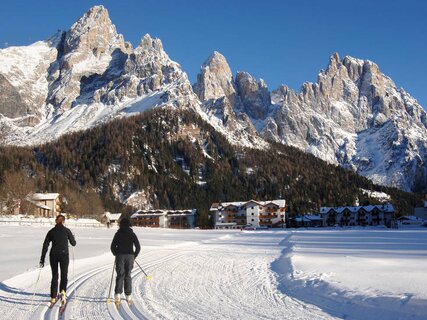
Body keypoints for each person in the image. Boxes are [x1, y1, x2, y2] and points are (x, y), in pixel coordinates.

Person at [40, 214, 76, 305]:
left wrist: (42, 259)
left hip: (53, 255)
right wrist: (72, 237)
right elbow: (73, 243)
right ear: (63, 221)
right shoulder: (67, 231)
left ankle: (53, 297)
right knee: (64, 274)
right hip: (64, 255)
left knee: (55, 275)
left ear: (56, 221)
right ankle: (63, 292)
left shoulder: (51, 231)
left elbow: (45, 245)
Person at [110, 217, 140, 305]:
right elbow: (138, 247)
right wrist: (134, 255)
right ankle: (128, 295)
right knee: (128, 275)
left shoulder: (118, 234)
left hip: (120, 256)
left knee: (120, 274)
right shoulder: (132, 234)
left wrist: (116, 254)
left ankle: (118, 295)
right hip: (130, 256)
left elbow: (112, 247)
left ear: (121, 225)